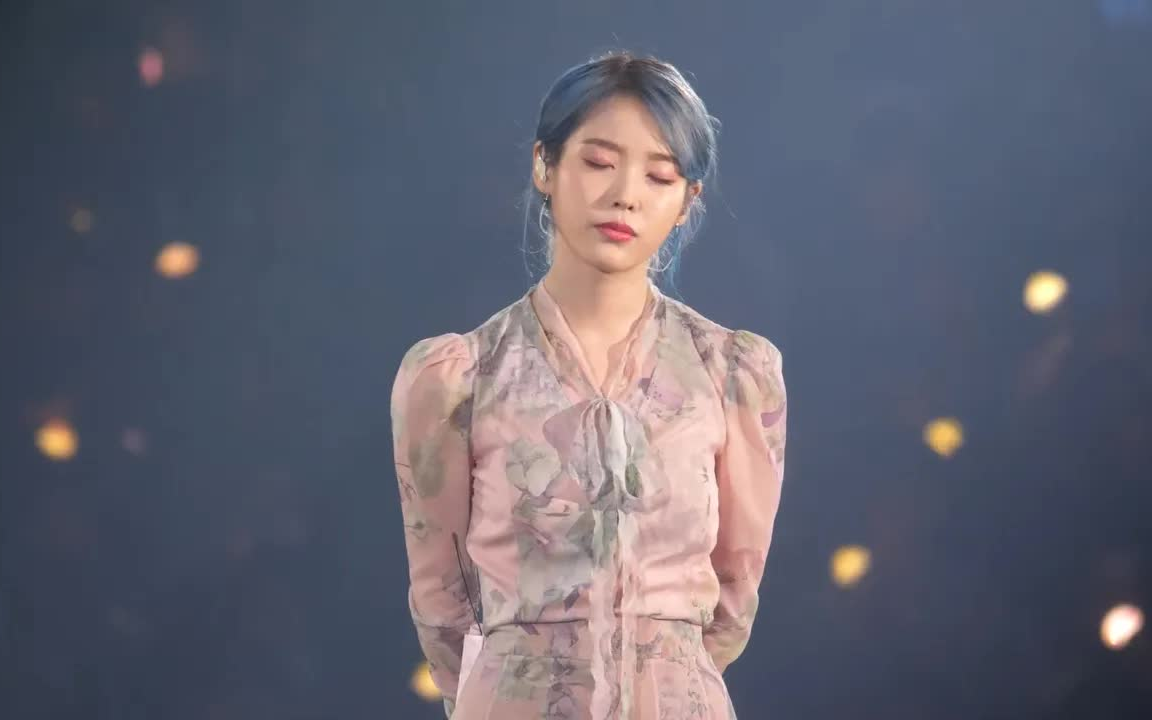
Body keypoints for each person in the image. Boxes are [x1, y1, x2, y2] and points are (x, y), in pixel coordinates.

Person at [391, 50, 788, 720]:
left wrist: (660, 668)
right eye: (600, 162)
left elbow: (734, 594)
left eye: (659, 176)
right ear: (544, 165)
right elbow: (441, 602)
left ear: (687, 202)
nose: (625, 195)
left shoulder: (729, 374)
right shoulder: (459, 378)